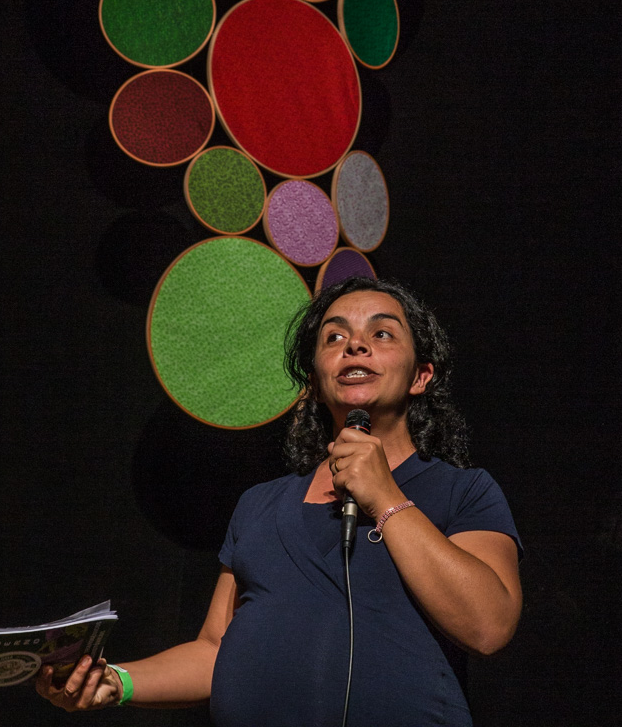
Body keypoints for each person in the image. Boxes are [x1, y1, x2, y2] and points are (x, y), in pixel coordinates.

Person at [37, 276, 522, 723]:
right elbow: (213, 651)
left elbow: (489, 626)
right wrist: (116, 681)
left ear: (421, 376)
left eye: (382, 334)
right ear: (314, 383)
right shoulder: (259, 505)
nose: (354, 344)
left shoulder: (464, 491)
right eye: (334, 337)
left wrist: (386, 498)